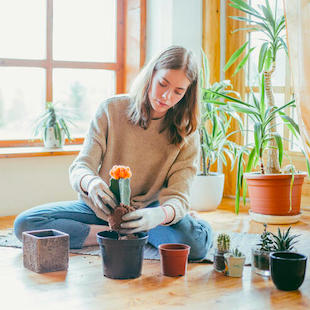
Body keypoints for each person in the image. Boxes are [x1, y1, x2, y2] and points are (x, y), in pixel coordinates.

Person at [14, 46, 213, 260]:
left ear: (187, 93)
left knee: (196, 246)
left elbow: (178, 195)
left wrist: (161, 214)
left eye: (178, 91)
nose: (166, 96)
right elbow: (81, 167)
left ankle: (160, 227)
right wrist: (91, 183)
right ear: (151, 74)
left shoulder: (187, 132)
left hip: (149, 214)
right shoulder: (111, 110)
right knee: (25, 224)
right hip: (101, 209)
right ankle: (112, 233)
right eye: (163, 83)